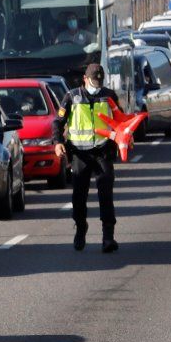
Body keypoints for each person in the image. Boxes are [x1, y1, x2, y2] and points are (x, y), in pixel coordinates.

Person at [54, 61, 124, 253]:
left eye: (99, 82)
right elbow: (58, 122)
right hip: (80, 154)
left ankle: (108, 237)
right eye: (93, 81)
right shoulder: (72, 97)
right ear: (85, 79)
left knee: (106, 195)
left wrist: (126, 136)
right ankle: (80, 228)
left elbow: (120, 120)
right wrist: (58, 142)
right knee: (79, 195)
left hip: (103, 151)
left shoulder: (109, 96)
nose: (97, 85)